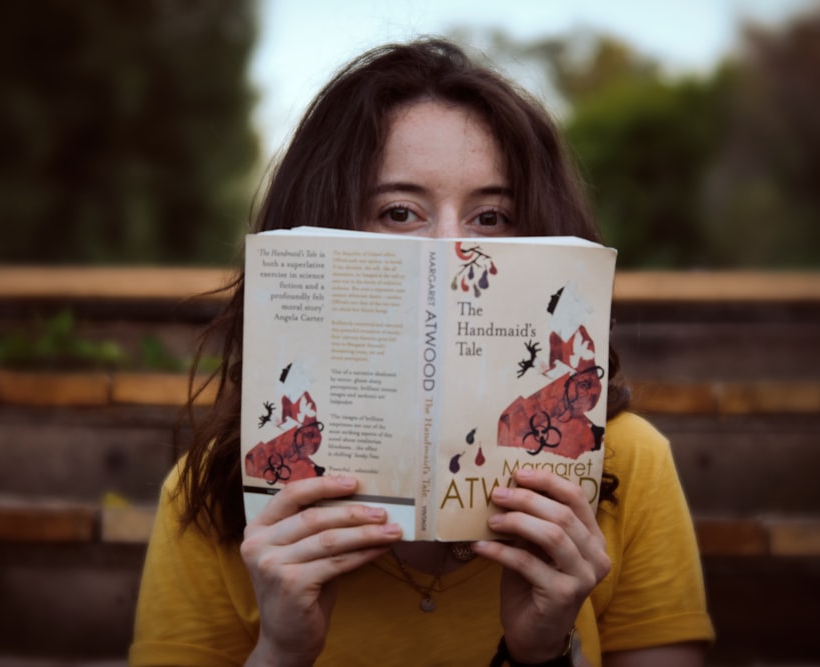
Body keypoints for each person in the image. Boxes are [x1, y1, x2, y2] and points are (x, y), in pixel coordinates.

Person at [130, 38, 714, 667]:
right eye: (399, 212)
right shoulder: (215, 497)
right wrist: (281, 650)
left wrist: (541, 652)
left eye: (491, 217)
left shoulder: (630, 465)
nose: (450, 253)